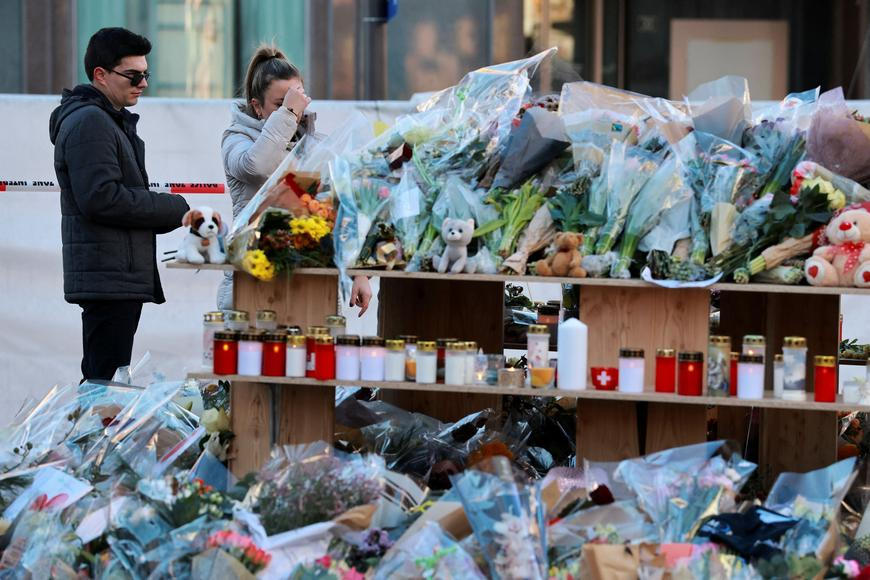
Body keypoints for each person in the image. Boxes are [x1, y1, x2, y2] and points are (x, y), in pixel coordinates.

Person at [49, 28, 189, 382]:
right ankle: (81, 440)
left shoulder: (104, 119)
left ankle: (88, 436)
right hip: (108, 277)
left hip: (113, 275)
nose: (143, 83)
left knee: (105, 383)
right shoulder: (91, 122)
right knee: (103, 388)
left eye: (146, 74)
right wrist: (175, 209)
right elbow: (102, 198)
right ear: (100, 74)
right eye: (133, 75)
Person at [220, 45, 372, 314]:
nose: (294, 110)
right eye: (280, 104)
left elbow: (340, 209)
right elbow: (258, 166)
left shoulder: (316, 146)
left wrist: (358, 272)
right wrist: (287, 114)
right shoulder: (237, 138)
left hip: (311, 283)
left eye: (297, 101)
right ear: (256, 106)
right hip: (252, 281)